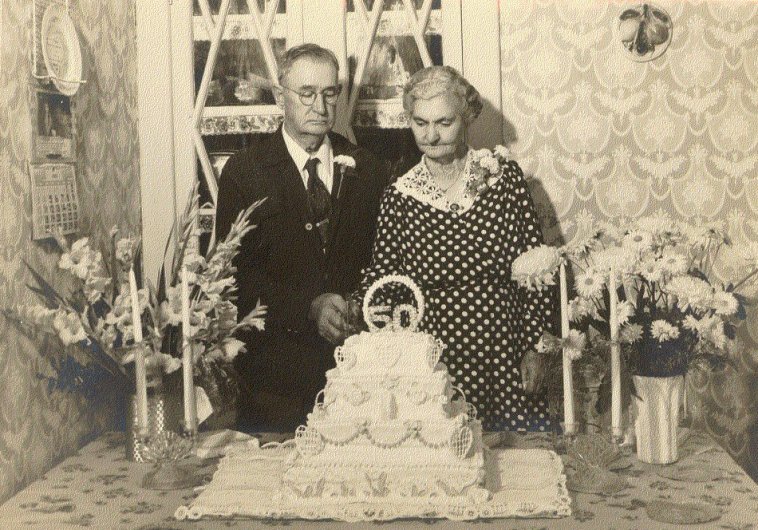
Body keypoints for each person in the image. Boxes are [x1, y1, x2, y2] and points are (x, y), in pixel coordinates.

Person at [353, 66, 555, 431]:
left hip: (503, 353)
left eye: (444, 122)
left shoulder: (502, 179)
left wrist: (537, 348)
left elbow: (536, 271)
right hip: (431, 364)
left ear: (466, 118)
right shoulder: (399, 196)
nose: (431, 135)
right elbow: (384, 283)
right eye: (420, 123)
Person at [215, 44, 388, 432]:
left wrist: (356, 305)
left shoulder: (369, 168)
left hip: (359, 377)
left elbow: (386, 263)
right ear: (280, 97)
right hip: (275, 382)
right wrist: (308, 306)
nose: (320, 107)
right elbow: (232, 282)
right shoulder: (245, 172)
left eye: (330, 94)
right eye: (306, 94)